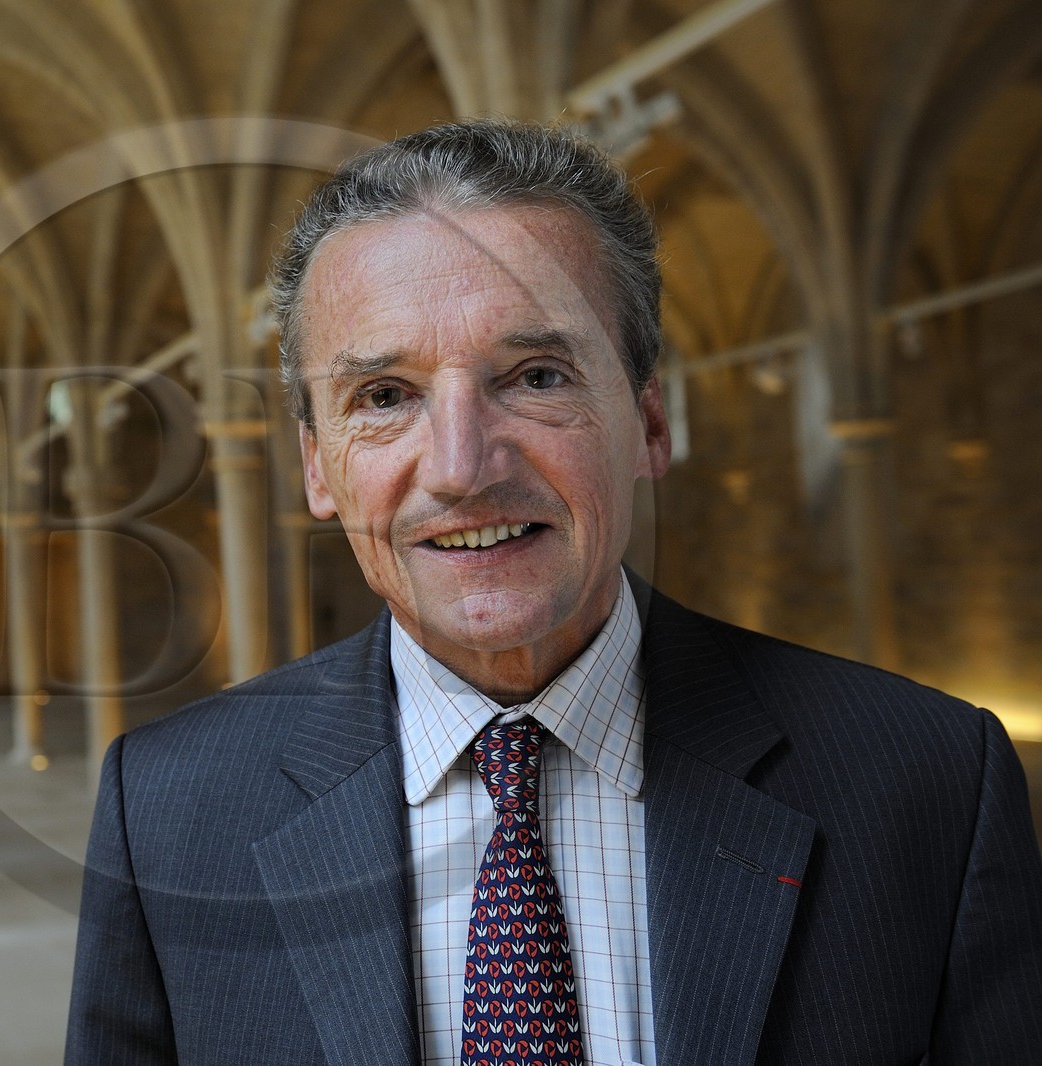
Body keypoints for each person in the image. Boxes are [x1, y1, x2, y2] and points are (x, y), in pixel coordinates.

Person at [64, 120, 1042, 1065]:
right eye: (385, 396)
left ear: (650, 423)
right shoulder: (166, 814)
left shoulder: (929, 783)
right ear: (318, 466)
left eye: (535, 376)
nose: (461, 468)